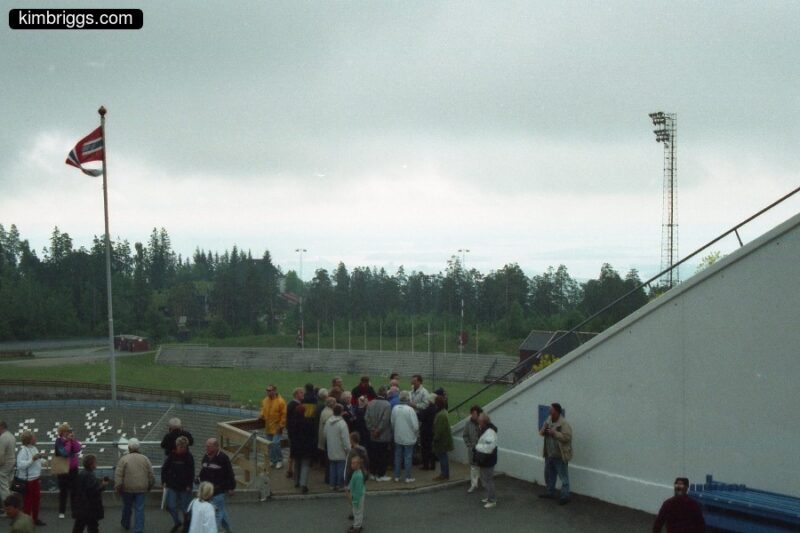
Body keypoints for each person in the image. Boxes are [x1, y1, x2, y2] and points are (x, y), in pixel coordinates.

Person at [114, 438, 155, 533]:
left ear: (129, 447)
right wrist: (150, 485)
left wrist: (118, 486)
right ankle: (138, 529)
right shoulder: (145, 458)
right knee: (139, 509)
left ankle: (125, 523)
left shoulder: (124, 459)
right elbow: (151, 474)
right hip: (141, 487)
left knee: (127, 507)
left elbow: (119, 474)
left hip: (127, 488)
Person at [538, 402, 572, 505]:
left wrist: (554, 433)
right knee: (549, 475)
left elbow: (567, 437)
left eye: (551, 410)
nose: (549, 412)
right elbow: (541, 433)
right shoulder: (548, 420)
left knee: (563, 477)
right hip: (549, 453)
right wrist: (544, 430)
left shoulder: (564, 424)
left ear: (557, 412)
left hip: (559, 455)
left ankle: (565, 496)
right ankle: (550, 492)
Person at [198, 438, 235, 533]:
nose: (206, 448)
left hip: (219, 490)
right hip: (207, 490)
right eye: (206, 446)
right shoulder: (205, 457)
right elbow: (203, 471)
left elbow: (229, 473)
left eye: (209, 446)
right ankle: (228, 530)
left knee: (217, 512)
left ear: (215, 447)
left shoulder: (223, 458)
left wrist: (231, 487)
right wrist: (198, 479)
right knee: (221, 510)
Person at [162, 436, 195, 533]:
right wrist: (164, 481)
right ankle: (177, 522)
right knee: (171, 506)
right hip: (172, 485)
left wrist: (189, 485)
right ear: (177, 446)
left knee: (185, 508)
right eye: (180, 447)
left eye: (183, 447)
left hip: (185, 487)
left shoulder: (189, 457)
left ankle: (187, 524)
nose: (181, 449)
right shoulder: (172, 456)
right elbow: (165, 468)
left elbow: (191, 472)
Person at [72, 454, 109, 533]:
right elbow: (93, 491)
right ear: (91, 464)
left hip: (81, 505)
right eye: (95, 463)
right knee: (93, 527)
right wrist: (103, 485)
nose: (96, 464)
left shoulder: (82, 473)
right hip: (90, 507)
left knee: (79, 526)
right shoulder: (90, 475)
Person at [15, 430, 45, 526]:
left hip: (35, 479)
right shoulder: (23, 451)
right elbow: (20, 465)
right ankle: (27, 522)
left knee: (36, 500)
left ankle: (35, 519)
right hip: (28, 481)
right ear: (29, 440)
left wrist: (42, 460)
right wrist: (32, 459)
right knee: (28, 502)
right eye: (33, 437)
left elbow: (36, 460)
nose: (35, 439)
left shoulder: (34, 448)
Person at [54, 423, 82, 519]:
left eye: (70, 431)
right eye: (67, 431)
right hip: (63, 469)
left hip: (73, 469)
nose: (69, 433)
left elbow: (78, 449)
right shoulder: (58, 441)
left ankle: (74, 511)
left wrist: (73, 440)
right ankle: (62, 511)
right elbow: (64, 453)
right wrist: (68, 442)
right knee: (63, 491)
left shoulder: (71, 440)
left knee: (74, 491)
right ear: (62, 432)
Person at [364, 386, 392, 481]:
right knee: (382, 455)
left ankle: (372, 473)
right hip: (382, 435)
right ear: (385, 394)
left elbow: (366, 418)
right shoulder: (387, 405)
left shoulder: (370, 403)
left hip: (372, 434)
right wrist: (378, 431)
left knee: (373, 454)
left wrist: (372, 429)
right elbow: (385, 420)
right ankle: (381, 474)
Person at [391, 391, 419, 483]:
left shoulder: (395, 408)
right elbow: (415, 426)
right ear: (408, 399)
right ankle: (408, 477)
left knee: (397, 456)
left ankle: (397, 476)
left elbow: (392, 422)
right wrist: (416, 434)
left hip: (398, 436)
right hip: (408, 437)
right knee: (408, 457)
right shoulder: (410, 410)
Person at [287, 402, 315, 494]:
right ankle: (304, 484)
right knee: (305, 465)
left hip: (295, 446)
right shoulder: (309, 422)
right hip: (306, 446)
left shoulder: (292, 422)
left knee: (297, 464)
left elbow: (290, 435)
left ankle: (296, 482)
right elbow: (312, 435)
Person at [409, 375, 435, 470]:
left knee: (420, 440)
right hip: (411, 416)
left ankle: (421, 460)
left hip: (419, 418)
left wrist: (415, 405)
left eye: (414, 381)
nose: (412, 383)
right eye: (412, 381)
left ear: (420, 382)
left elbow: (425, 405)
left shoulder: (424, 392)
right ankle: (414, 458)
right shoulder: (411, 391)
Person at [259, 384, 287, 469]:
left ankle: (279, 460)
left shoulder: (281, 401)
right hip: (268, 427)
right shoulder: (265, 400)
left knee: (275, 444)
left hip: (277, 427)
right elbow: (263, 411)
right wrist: (261, 416)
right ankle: (272, 460)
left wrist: (281, 425)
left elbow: (284, 415)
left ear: (275, 391)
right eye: (267, 390)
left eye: (270, 390)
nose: (268, 392)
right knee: (269, 445)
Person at [474, 412, 498, 509]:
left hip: (488, 459)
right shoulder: (485, 429)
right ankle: (489, 497)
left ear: (483, 422)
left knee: (488, 480)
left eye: (479, 420)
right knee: (485, 479)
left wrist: (477, 447)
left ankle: (492, 500)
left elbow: (489, 447)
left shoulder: (490, 432)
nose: (478, 422)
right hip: (485, 459)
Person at [324, 404, 351, 491]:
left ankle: (332, 484)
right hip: (340, 449)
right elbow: (345, 438)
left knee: (332, 466)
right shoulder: (342, 423)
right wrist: (348, 449)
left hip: (331, 447)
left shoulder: (328, 421)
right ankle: (340, 485)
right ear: (341, 412)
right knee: (341, 468)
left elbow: (325, 434)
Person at [432, 395, 454, 481]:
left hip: (442, 441)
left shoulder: (441, 415)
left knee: (442, 457)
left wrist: (435, 438)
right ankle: (445, 474)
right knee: (443, 457)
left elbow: (439, 430)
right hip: (445, 440)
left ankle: (444, 474)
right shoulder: (444, 412)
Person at [285, 387, 305, 479]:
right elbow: (292, 422)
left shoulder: (291, 404)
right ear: (296, 394)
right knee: (293, 452)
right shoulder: (294, 405)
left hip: (292, 432)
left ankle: (290, 470)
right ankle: (291, 470)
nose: (303, 394)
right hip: (295, 434)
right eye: (301, 393)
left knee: (292, 452)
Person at [462, 405, 483, 493]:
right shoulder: (468, 423)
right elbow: (465, 435)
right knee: (473, 468)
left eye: (474, 413)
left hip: (482, 450)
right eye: (472, 413)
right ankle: (473, 484)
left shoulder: (482, 423)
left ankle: (481, 482)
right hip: (473, 450)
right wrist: (469, 445)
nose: (472, 415)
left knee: (481, 467)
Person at [318, 396, 337, 484]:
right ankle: (329, 479)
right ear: (331, 404)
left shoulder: (326, 411)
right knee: (330, 460)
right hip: (328, 439)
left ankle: (329, 478)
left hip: (326, 438)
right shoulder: (328, 413)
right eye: (335, 402)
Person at [347, 456, 366, 533]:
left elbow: (358, 490)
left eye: (354, 463)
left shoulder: (358, 476)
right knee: (356, 511)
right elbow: (352, 482)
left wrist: (355, 500)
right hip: (357, 495)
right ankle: (357, 524)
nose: (352, 465)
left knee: (357, 511)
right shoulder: (356, 472)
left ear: (359, 465)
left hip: (357, 497)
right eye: (351, 463)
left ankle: (357, 527)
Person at [0, 421, 16, 506]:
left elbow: (1, 454)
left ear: (1, 426)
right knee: (8, 486)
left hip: (4, 465)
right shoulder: (11, 436)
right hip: (11, 463)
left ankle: (8, 507)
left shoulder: (3, 437)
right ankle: (12, 506)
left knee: (3, 487)